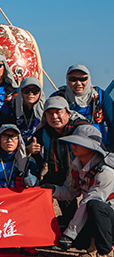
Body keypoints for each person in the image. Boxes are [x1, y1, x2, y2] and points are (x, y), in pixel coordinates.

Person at [50, 125, 114, 257]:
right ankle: (91, 247)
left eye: (79, 143)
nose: (74, 145)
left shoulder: (106, 172)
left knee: (95, 206)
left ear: (92, 148)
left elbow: (90, 201)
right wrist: (53, 190)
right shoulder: (76, 165)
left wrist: (70, 234)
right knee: (56, 228)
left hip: (110, 219)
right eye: (74, 142)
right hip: (94, 217)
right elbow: (70, 192)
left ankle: (106, 254)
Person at [34, 96, 91, 228]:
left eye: (58, 112)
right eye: (50, 113)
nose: (54, 117)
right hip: (57, 174)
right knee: (38, 191)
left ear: (67, 113)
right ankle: (46, 227)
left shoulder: (80, 128)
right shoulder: (44, 130)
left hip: (83, 174)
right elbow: (31, 151)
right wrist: (30, 149)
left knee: (89, 208)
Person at [51, 65, 114, 150]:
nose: (78, 83)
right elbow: (47, 122)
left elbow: (112, 122)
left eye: (83, 79)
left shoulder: (100, 96)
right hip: (68, 149)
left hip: (97, 148)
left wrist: (109, 149)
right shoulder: (58, 97)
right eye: (73, 79)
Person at [0, 76, 44, 145]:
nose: (30, 93)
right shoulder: (9, 107)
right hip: (15, 146)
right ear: (21, 91)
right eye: (26, 90)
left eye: (35, 91)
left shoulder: (45, 109)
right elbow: (5, 132)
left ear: (40, 93)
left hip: (36, 146)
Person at [0, 124, 39, 189]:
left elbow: (38, 187)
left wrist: (35, 182)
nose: (9, 140)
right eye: (5, 136)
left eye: (13, 136)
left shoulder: (28, 163)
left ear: (19, 141)